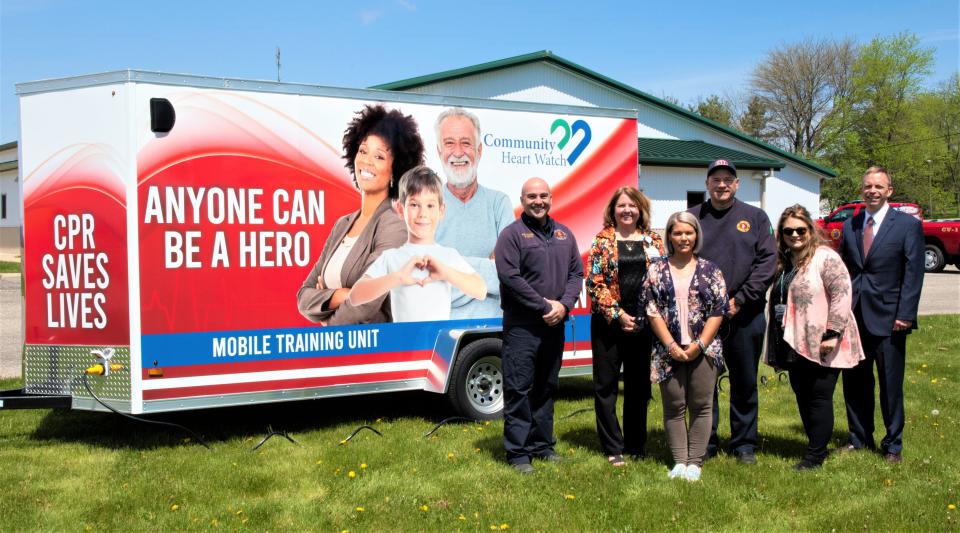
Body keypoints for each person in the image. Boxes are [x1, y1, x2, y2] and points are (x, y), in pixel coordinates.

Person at [296, 104, 424, 325]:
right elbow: (303, 297)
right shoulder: (342, 224)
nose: (366, 161)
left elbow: (365, 304)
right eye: (363, 151)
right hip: (344, 350)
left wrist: (329, 316)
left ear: (396, 170)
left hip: (373, 350)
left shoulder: (394, 226)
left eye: (379, 156)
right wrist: (345, 294)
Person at [689, 159, 776, 464]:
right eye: (716, 180)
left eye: (728, 179)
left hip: (745, 314)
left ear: (737, 184)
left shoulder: (755, 217)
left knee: (744, 381)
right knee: (703, 383)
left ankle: (744, 444)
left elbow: (767, 264)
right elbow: (680, 257)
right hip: (702, 318)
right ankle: (705, 442)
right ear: (707, 183)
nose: (722, 184)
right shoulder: (693, 217)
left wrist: (739, 300)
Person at [765, 205, 865, 470]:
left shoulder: (825, 257)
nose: (795, 235)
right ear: (782, 234)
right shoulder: (786, 262)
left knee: (819, 396)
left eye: (801, 229)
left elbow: (843, 294)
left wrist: (833, 333)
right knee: (802, 394)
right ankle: (815, 445)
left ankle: (816, 456)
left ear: (811, 230)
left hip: (823, 340)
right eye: (789, 231)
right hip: (794, 341)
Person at [494, 177, 583, 474]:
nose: (538, 201)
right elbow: (510, 277)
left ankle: (542, 445)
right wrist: (545, 306)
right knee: (519, 388)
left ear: (551, 198)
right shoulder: (512, 235)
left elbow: (576, 273)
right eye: (532, 196)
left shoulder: (564, 235)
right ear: (522, 199)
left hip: (555, 324)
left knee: (546, 386)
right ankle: (518, 453)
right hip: (523, 326)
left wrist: (564, 305)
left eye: (543, 196)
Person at [839, 166, 924, 463]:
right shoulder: (851, 224)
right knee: (855, 381)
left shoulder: (906, 225)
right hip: (854, 316)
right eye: (867, 186)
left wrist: (906, 313)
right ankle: (859, 437)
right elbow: (845, 270)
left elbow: (913, 272)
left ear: (889, 190)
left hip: (890, 318)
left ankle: (893, 445)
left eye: (878, 186)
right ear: (862, 190)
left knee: (890, 384)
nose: (872, 191)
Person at [643, 211, 727, 482]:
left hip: (704, 349)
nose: (683, 238)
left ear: (696, 235)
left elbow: (718, 309)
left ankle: (695, 463)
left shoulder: (710, 269)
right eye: (677, 233)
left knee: (701, 405)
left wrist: (700, 344)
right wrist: (670, 345)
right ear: (669, 236)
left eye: (688, 232)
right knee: (674, 406)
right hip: (668, 350)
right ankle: (679, 462)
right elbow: (651, 309)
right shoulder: (656, 268)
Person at [586, 186, 665, 467]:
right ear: (613, 210)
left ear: (641, 209)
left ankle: (635, 444)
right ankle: (612, 445)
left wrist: (646, 315)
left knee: (638, 387)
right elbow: (594, 283)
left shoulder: (653, 240)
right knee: (605, 386)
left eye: (633, 205)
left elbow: (662, 279)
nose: (627, 210)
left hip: (644, 324)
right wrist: (618, 314)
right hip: (609, 325)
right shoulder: (602, 240)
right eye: (622, 206)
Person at [349, 166, 486, 322]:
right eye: (414, 205)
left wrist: (445, 273)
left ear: (441, 211)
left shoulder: (448, 256)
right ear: (401, 209)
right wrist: (398, 277)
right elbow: (355, 296)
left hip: (438, 345)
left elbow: (480, 290)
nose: (423, 214)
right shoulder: (391, 257)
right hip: (403, 344)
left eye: (430, 205)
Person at [434, 107, 514, 319]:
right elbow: (424, 286)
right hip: (438, 335)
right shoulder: (425, 207)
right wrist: (487, 267)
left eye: (466, 143)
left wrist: (448, 267)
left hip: (494, 333)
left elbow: (509, 276)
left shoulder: (499, 204)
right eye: (449, 143)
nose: (458, 152)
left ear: (479, 151)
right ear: (439, 151)